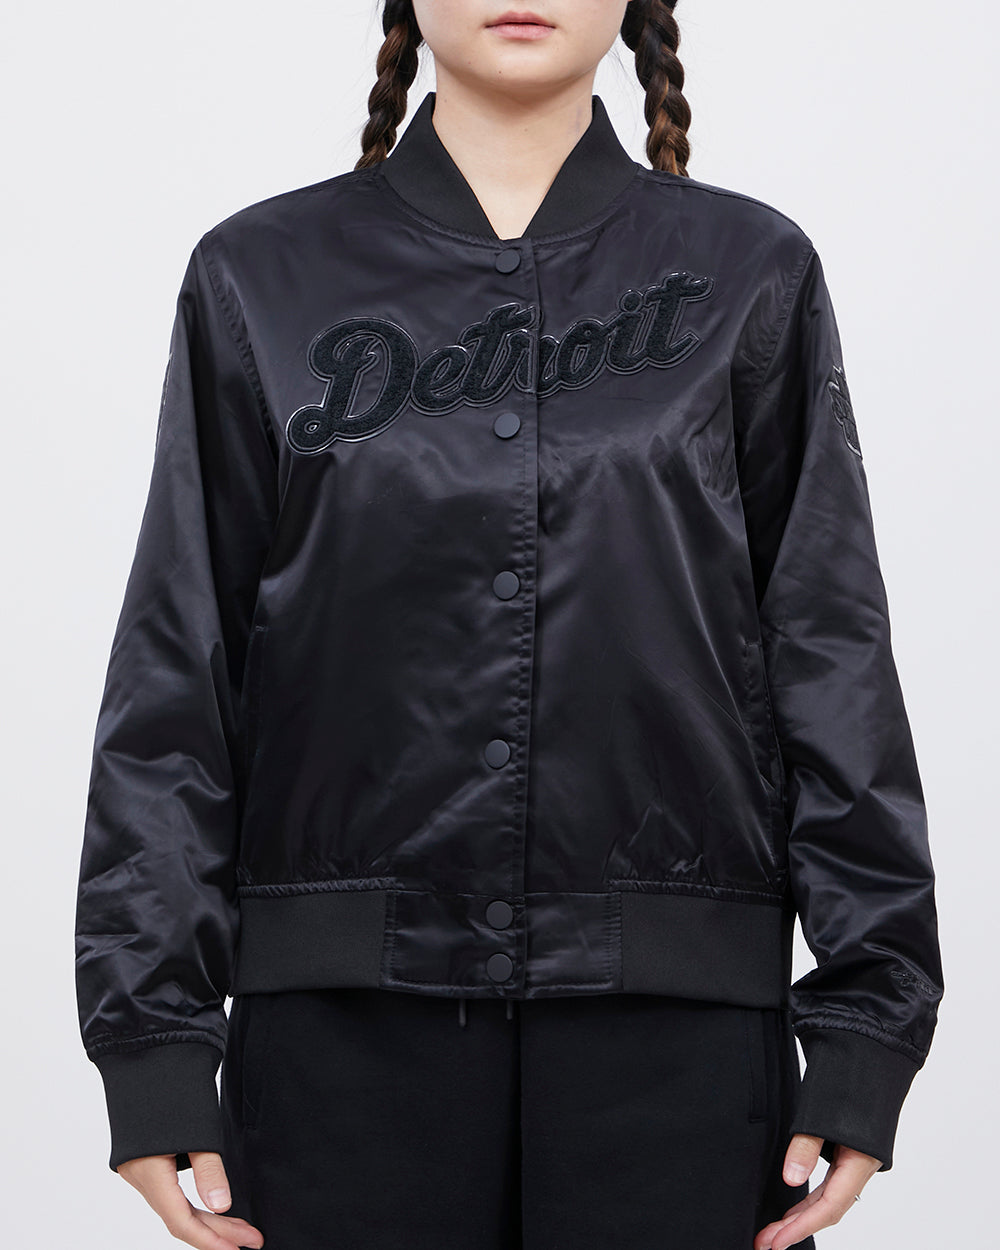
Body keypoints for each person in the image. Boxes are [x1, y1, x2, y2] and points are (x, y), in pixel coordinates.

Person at [74, 3, 944, 1249]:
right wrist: (152, 1036)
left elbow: (829, 650)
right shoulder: (259, 276)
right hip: (336, 1050)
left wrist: (867, 1018)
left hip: (680, 1052)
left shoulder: (752, 272)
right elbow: (178, 667)